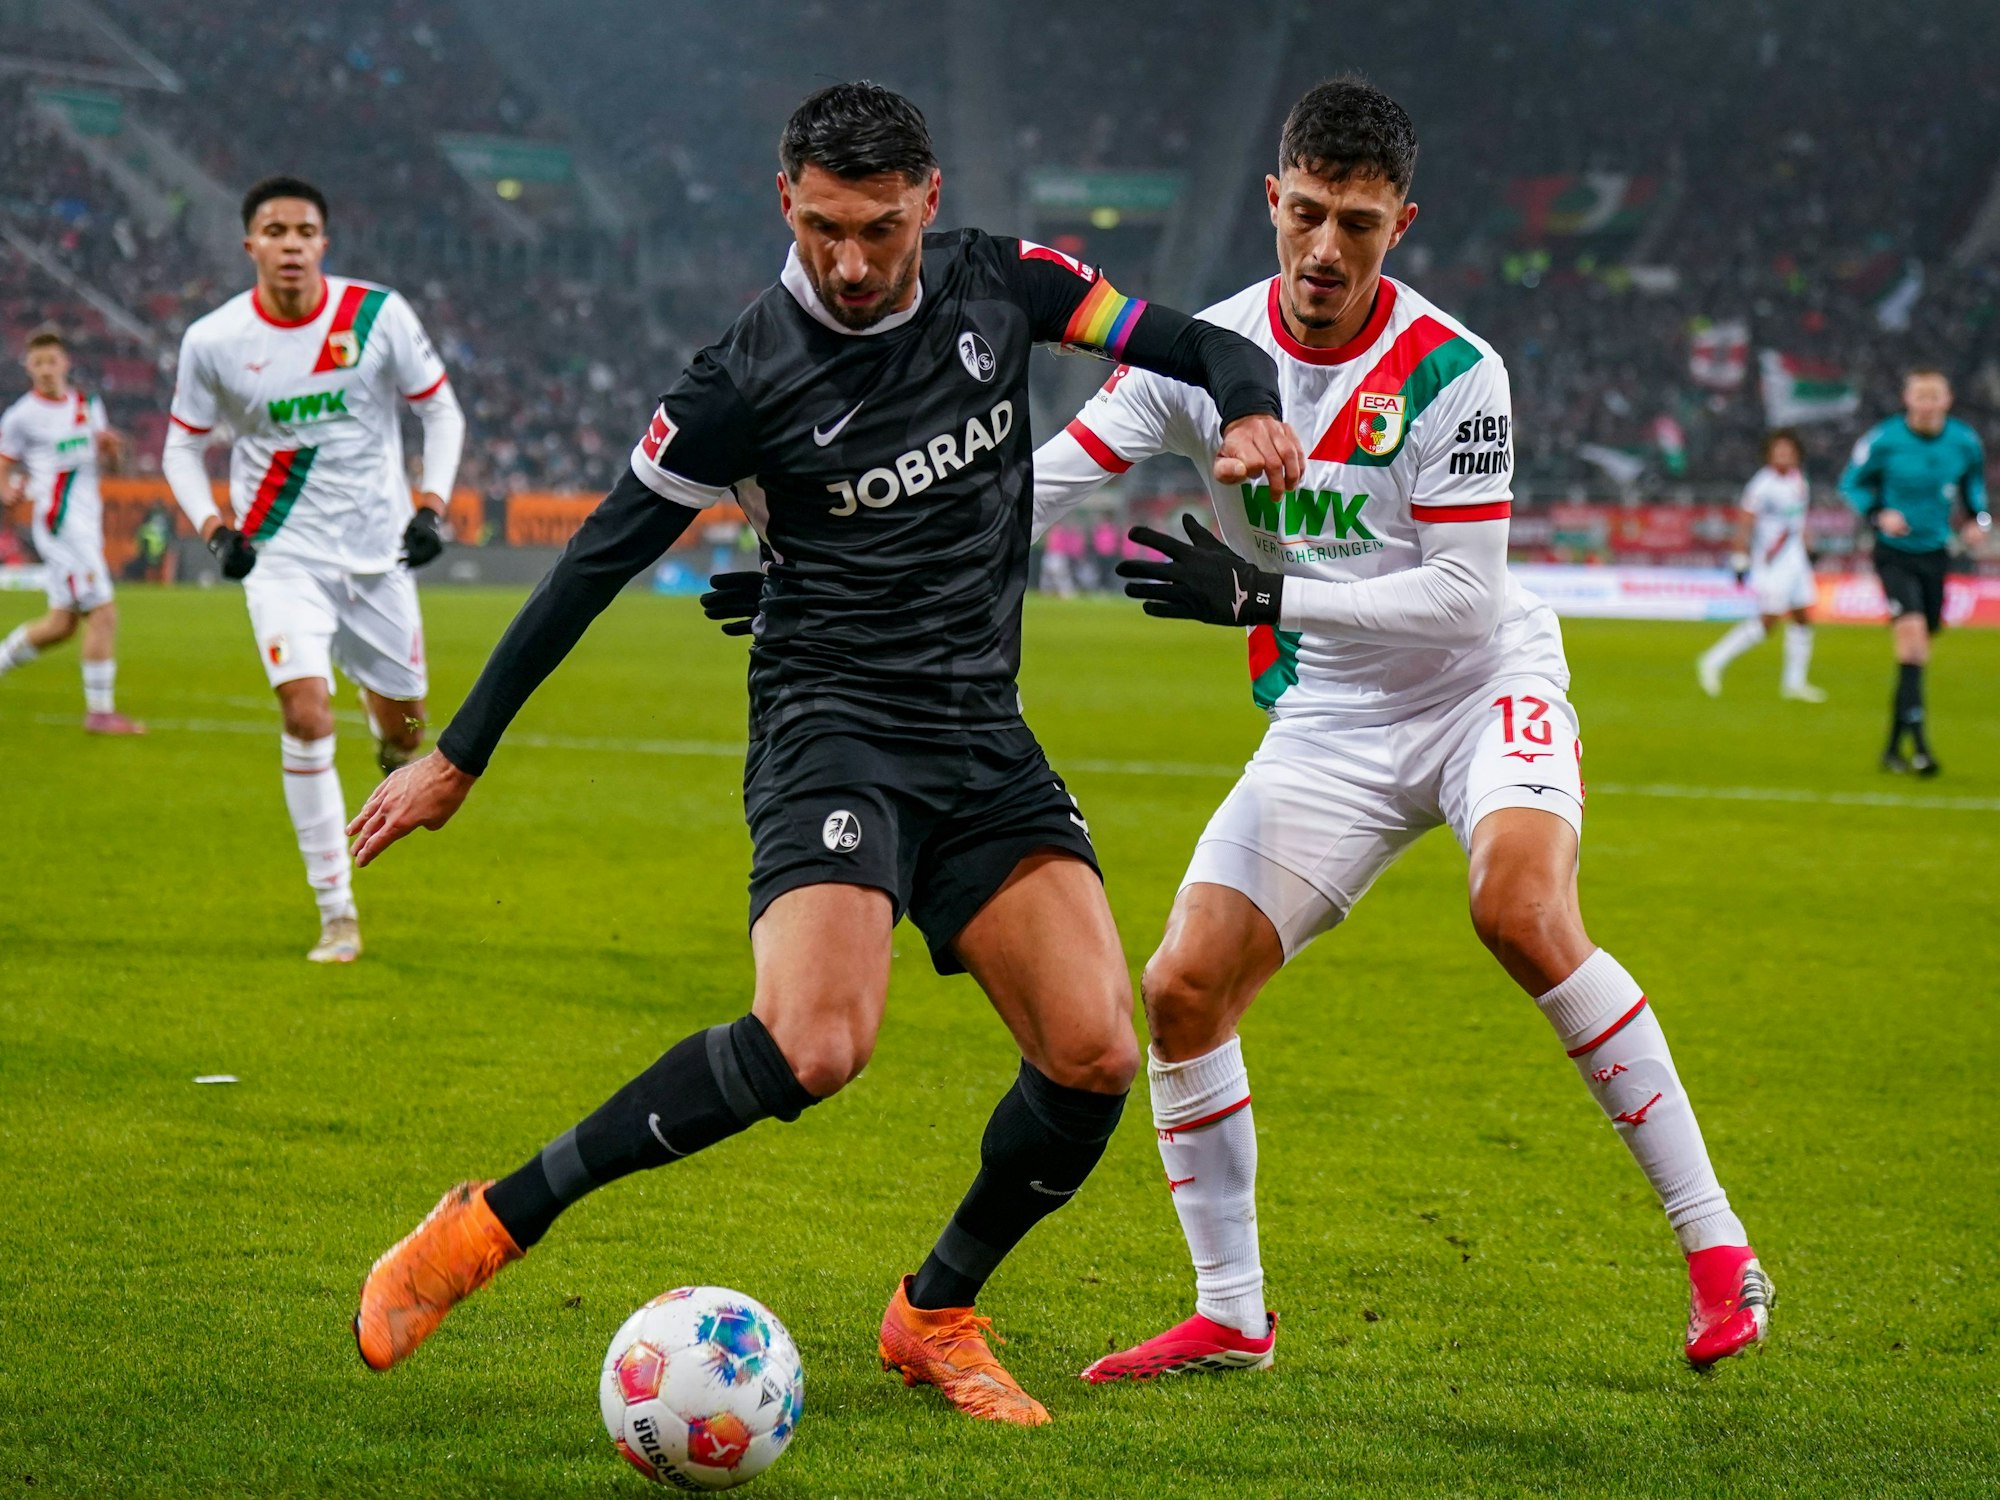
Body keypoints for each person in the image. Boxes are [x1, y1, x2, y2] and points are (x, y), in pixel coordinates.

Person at [342, 82, 1302, 1429]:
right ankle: (486, 1226)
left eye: (879, 232)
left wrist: (1254, 405)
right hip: (831, 725)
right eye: (825, 230)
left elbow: (1190, 343)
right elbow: (595, 561)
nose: (852, 265)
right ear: (784, 198)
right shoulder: (738, 379)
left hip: (980, 732)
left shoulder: (1008, 285)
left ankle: (936, 1313)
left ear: (929, 201)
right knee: (818, 1043)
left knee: (1093, 1052)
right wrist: (460, 754)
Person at [1033, 77, 1770, 1378]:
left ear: (1401, 225)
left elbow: (1463, 593)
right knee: (1182, 989)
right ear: (1272, 199)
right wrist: (853, 562)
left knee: (1521, 914)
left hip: (1482, 686)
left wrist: (1264, 592)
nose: (1325, 251)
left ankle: (1719, 1254)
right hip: (1332, 714)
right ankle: (1232, 1314)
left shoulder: (1452, 373)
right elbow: (1040, 485)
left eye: (1358, 226)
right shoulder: (1198, 357)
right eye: (1306, 215)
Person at [160, 175, 465, 962]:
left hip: (377, 557)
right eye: (274, 230)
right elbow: (181, 446)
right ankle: (336, 911)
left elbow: (440, 408)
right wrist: (214, 529)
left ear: (323, 242)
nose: (290, 244)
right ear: (250, 245)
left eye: (304, 231)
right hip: (280, 556)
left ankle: (388, 729)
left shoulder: (377, 315)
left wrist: (431, 504)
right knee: (303, 713)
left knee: (406, 733)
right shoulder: (215, 340)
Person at [1839, 368, 1989, 775]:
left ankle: (1892, 750)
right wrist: (1877, 514)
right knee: (1912, 645)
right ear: (1907, 400)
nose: (1926, 403)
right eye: (1919, 395)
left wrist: (1981, 520)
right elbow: (1852, 483)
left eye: (1933, 395)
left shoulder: (1964, 441)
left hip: (1935, 554)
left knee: (1917, 655)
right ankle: (1921, 750)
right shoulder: (1884, 439)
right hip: (1894, 554)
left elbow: (1974, 488)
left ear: (1947, 399)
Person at [0, 329, 143, 733]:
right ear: (28, 368)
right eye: (38, 362)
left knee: (61, 624)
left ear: (65, 364)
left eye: (52, 361)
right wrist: (6, 490)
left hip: (86, 519)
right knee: (104, 611)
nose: (46, 369)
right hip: (61, 523)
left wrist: (114, 452)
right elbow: (4, 461)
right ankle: (100, 713)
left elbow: (110, 468)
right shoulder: (21, 415)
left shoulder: (88, 406)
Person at [1697, 429, 1826, 700]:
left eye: (1789, 451)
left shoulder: (1799, 479)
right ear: (1769, 454)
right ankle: (1713, 660)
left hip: (1796, 560)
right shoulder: (1762, 484)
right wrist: (1740, 557)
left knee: (1802, 616)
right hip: (1772, 562)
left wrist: (1809, 546)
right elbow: (1745, 523)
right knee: (1769, 621)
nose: (1784, 455)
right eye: (1779, 451)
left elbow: (1798, 519)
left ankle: (1794, 683)